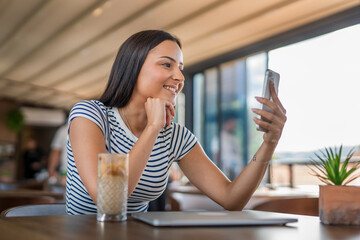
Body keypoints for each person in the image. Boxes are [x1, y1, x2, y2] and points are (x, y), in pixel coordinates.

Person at [66, 30, 286, 215]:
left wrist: (270, 142)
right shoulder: (91, 115)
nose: (180, 77)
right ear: (133, 67)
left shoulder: (175, 135)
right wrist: (153, 128)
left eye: (180, 67)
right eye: (166, 65)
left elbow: (231, 199)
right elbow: (106, 199)